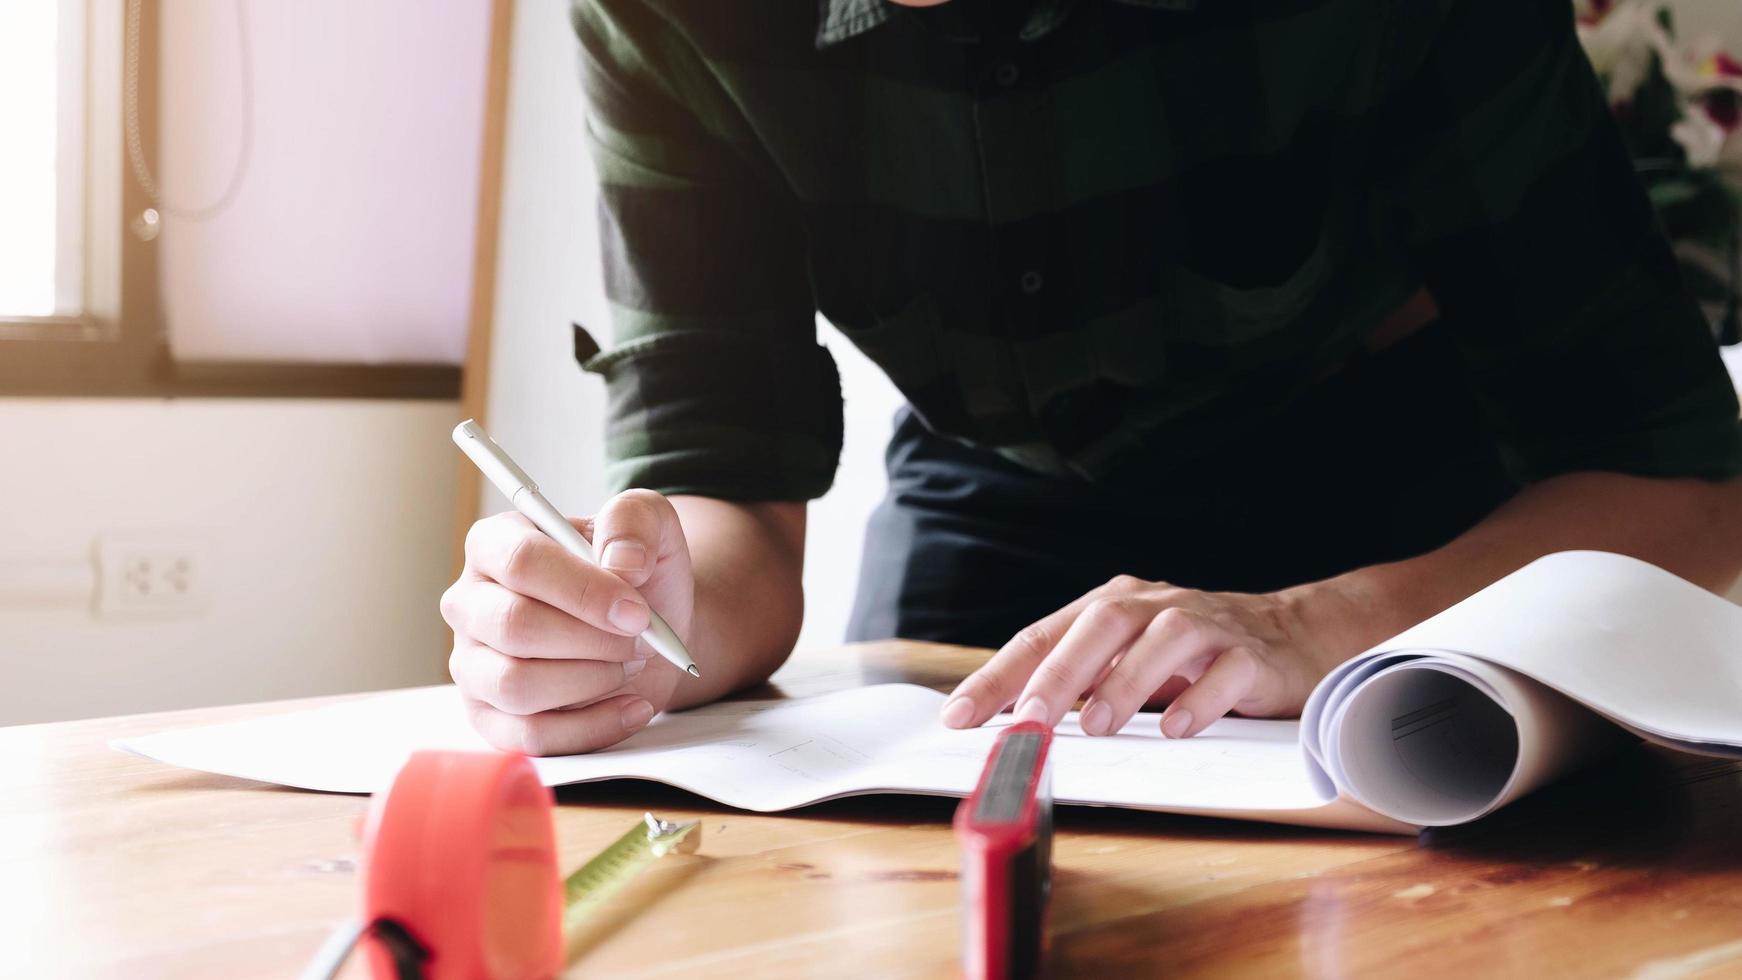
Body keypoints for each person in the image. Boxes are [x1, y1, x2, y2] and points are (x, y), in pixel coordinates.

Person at [441, 0, 1742, 756]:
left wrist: (1311, 625)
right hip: (997, 493)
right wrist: (649, 639)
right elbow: (718, 471)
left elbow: (1677, 486)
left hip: (1418, 509)